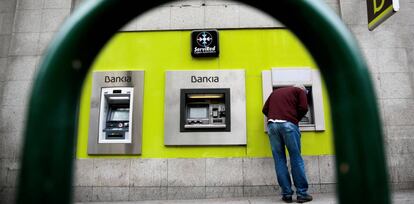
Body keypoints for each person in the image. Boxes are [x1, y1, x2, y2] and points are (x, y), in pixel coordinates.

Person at [262, 84, 313, 203]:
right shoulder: (300, 91)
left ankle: (286, 194)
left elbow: (264, 109)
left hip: (272, 126)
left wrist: (275, 117)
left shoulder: (275, 92)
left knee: (279, 160)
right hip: (289, 125)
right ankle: (302, 194)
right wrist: (294, 119)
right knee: (296, 158)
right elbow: (304, 108)